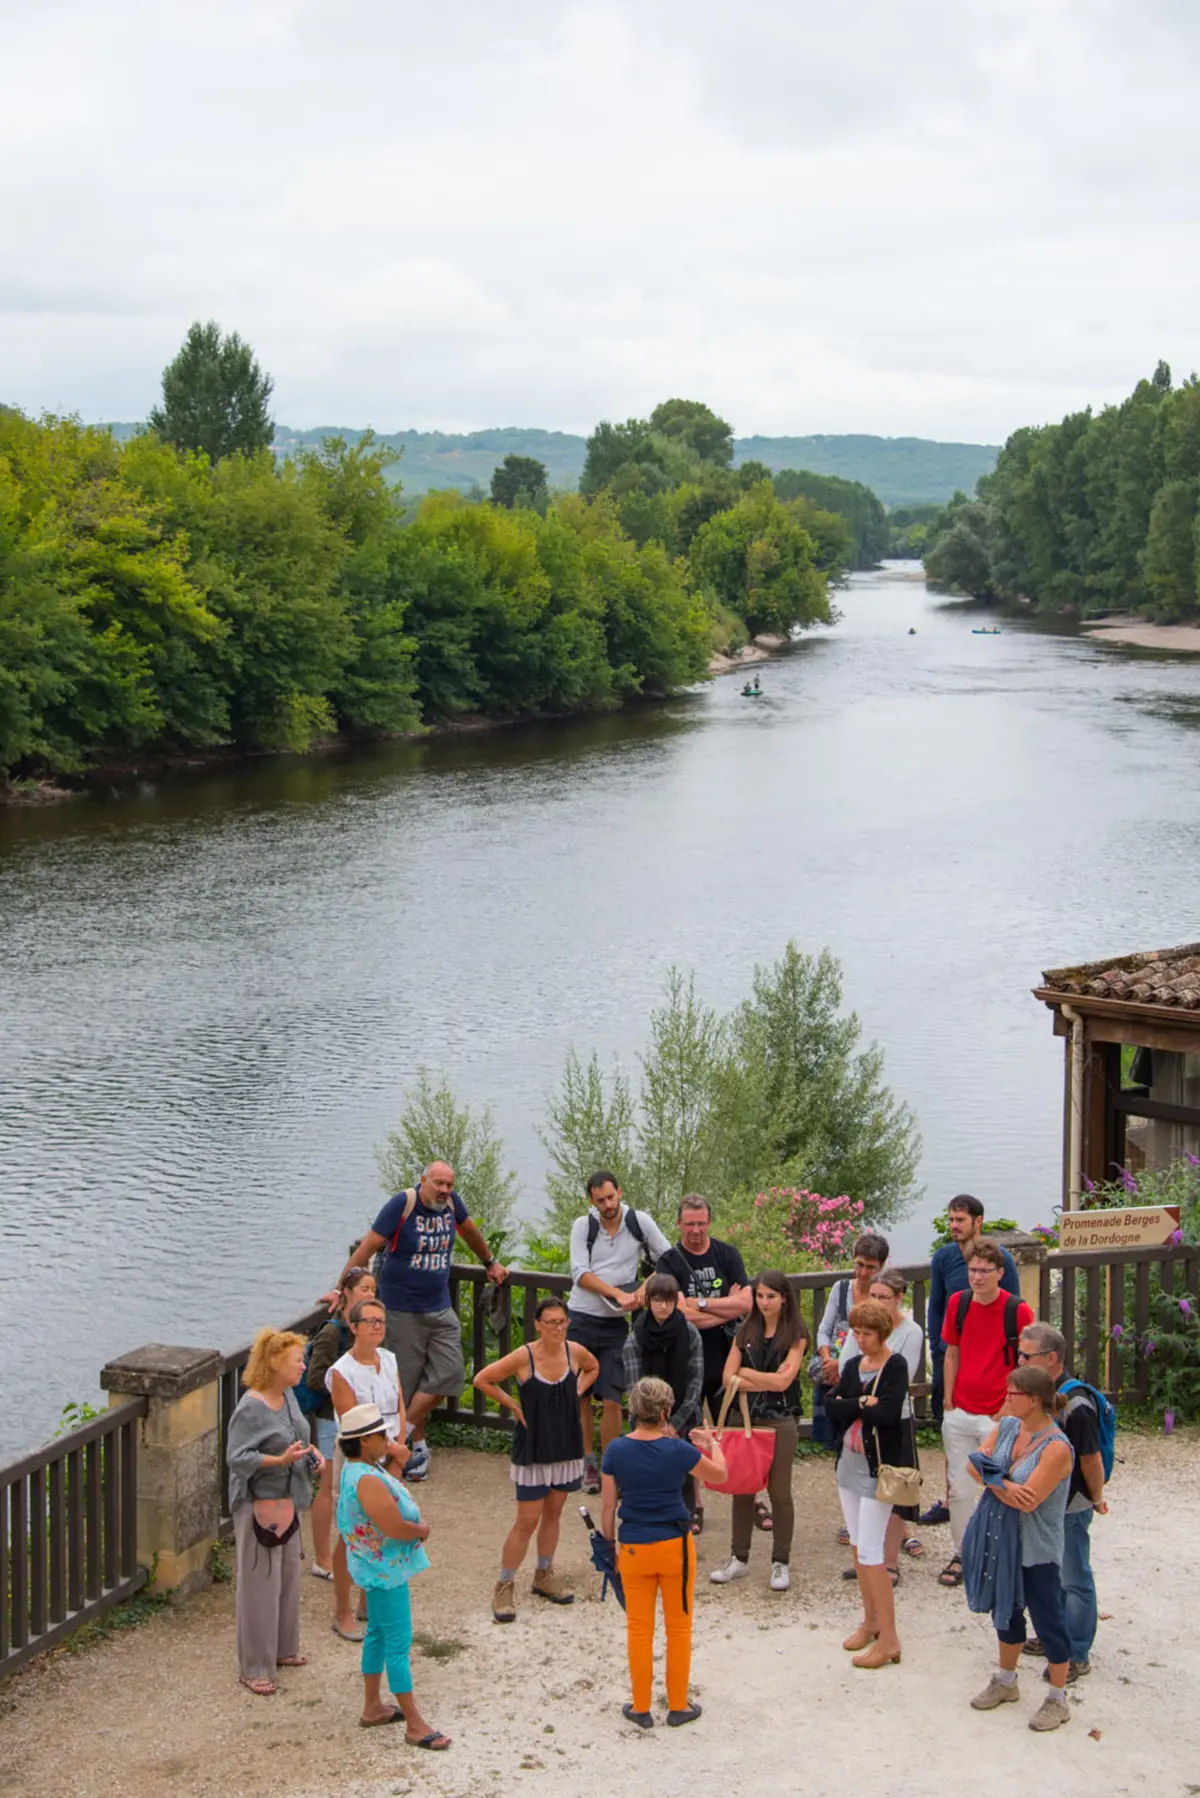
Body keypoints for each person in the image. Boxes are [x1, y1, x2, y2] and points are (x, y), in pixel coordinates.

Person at [326, 1160, 508, 1483]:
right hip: (400, 1310)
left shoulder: (452, 1205)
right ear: (423, 1180)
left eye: (449, 1185)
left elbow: (470, 1231)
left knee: (449, 1373)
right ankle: (417, 1447)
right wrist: (341, 1289)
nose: (444, 1190)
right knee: (406, 1384)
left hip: (439, 1307)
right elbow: (369, 1246)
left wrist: (490, 1262)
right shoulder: (403, 1204)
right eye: (438, 1183)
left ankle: (399, 1440)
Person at [601, 1377, 728, 1730]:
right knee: (678, 1627)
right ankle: (677, 1704)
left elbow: (609, 1506)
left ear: (633, 1411)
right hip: (675, 1547)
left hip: (632, 1547)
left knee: (639, 1629)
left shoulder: (615, 1450)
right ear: (666, 1411)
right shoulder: (679, 1451)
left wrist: (609, 1547)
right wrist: (712, 1444)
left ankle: (640, 1705)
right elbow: (720, 1474)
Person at [473, 1296, 599, 1622]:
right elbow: (482, 1379)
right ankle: (504, 1584)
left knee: (554, 1513)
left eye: (563, 1321)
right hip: (533, 1448)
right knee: (526, 1520)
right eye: (552, 1322)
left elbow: (593, 1366)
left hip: (566, 1446)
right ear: (538, 1325)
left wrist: (578, 1391)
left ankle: (543, 1574)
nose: (558, 1327)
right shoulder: (524, 1356)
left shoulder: (576, 1352)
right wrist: (512, 1406)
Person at [963, 1364, 1075, 1732]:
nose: (1006, 1399)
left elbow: (1028, 1501)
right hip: (1002, 1539)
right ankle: (1007, 1680)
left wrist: (996, 1481)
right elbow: (973, 1466)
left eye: (1013, 1395)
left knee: (1048, 1621)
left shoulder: (1057, 1447)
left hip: (1035, 1547)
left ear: (1034, 1400)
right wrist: (1007, 1486)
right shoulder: (1009, 1425)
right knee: (1007, 1612)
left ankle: (1058, 1699)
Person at [334, 1402, 449, 1748]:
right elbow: (391, 1525)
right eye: (381, 1434)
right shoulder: (367, 1478)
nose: (387, 1438)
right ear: (365, 1441)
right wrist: (420, 1530)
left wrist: (396, 1459)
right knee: (398, 1644)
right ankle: (415, 1723)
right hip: (385, 1573)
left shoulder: (359, 1469)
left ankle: (372, 1706)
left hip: (373, 1567)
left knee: (378, 1635)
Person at [225, 1327, 324, 1696]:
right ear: (275, 1364)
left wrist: (311, 1454)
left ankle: (283, 1650)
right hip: (258, 1502)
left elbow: (299, 1436)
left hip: (289, 1497)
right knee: (259, 1584)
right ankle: (254, 1666)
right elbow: (237, 1458)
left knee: (285, 1577)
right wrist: (279, 1460)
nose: (303, 1366)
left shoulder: (287, 1398)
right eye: (298, 1360)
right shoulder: (251, 1407)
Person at [567, 1171, 671, 1493]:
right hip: (582, 1316)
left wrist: (643, 1289)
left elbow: (667, 1258)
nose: (608, 1205)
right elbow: (580, 1273)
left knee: (612, 1396)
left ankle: (611, 1465)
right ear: (592, 1201)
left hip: (615, 1325)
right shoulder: (583, 1226)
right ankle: (588, 1464)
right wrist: (617, 1294)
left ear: (619, 1193)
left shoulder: (638, 1221)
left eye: (611, 1197)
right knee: (582, 1395)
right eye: (601, 1200)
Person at [939, 1239, 1034, 1589]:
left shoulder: (1018, 1311)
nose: (977, 1277)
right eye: (972, 1270)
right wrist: (948, 1400)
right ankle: (963, 1553)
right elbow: (952, 1352)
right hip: (961, 1410)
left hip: (998, 1415)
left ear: (1000, 1273)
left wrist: (1006, 1408)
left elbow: (1026, 1363)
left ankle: (1002, 1555)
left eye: (984, 1270)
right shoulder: (958, 1304)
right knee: (960, 1488)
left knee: (1002, 1486)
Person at [825, 1299, 915, 1669]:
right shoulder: (851, 1366)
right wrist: (863, 1400)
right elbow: (833, 1406)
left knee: (872, 1554)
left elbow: (888, 1413)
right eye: (856, 1332)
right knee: (858, 1548)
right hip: (849, 1464)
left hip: (879, 1471)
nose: (860, 1339)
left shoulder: (895, 1365)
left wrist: (853, 1403)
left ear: (882, 1334)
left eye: (867, 1333)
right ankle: (870, 1621)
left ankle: (890, 1639)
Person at [655, 1195, 752, 1532]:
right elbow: (679, 1314)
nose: (695, 1230)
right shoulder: (668, 1262)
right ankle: (694, 1503)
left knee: (737, 1432)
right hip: (687, 1363)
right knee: (692, 1434)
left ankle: (749, 1497)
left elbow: (746, 1303)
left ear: (710, 1222)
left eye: (701, 1223)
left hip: (727, 1360)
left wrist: (699, 1304)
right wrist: (723, 1305)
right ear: (679, 1224)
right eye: (689, 1223)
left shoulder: (727, 1254)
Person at [1017, 1322, 1107, 1681]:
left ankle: (1077, 1651)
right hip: (1045, 1503)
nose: (1019, 1360)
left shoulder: (1077, 1405)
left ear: (1050, 1358)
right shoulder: (1041, 1395)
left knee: (1073, 1576)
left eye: (1026, 1355)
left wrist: (1097, 1498)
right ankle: (1054, 1635)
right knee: (1048, 1574)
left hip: (1070, 1506)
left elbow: (1091, 1459)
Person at [709, 1270, 809, 1592]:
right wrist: (752, 1377)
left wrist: (746, 1374)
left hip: (780, 1418)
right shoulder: (745, 1329)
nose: (765, 1302)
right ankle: (739, 1557)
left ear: (784, 1298)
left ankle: (781, 1561)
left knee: (779, 1493)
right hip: (744, 1417)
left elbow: (783, 1382)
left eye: (771, 1296)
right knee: (743, 1490)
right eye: (760, 1295)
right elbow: (727, 1377)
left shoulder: (796, 1333)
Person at [326, 1296, 406, 1641]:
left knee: (382, 1529)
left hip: (391, 1451)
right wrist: (390, 1448)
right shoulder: (341, 1372)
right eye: (370, 1321)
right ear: (354, 1327)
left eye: (381, 1321)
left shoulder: (388, 1359)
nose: (378, 1326)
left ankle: (366, 1601)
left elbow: (399, 1403)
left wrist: (400, 1444)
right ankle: (341, 1610)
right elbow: (352, 1421)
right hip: (358, 1455)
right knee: (352, 1532)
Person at [839, 1269, 926, 1575]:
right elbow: (846, 1367)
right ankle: (867, 1558)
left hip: (894, 1421)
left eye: (883, 1297)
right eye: (872, 1295)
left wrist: (856, 1398)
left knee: (893, 1490)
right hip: (862, 1423)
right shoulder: (861, 1328)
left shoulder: (911, 1332)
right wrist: (861, 1400)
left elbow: (895, 1381)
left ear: (898, 1298)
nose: (876, 1301)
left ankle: (889, 1563)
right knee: (863, 1490)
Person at [305, 1266, 376, 1579]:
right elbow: (315, 1378)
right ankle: (322, 1558)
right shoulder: (333, 1332)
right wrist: (347, 1390)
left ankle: (348, 1553)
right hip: (329, 1419)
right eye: (363, 1288)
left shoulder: (365, 1329)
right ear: (346, 1293)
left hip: (356, 1420)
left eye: (373, 1289)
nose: (370, 1294)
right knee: (327, 1489)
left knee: (351, 1489)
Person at [622, 1274, 705, 1522]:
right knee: (647, 1468)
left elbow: (695, 1382)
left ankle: (688, 1515)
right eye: (657, 1300)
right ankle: (649, 1514)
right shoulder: (636, 1336)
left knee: (685, 1467)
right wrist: (652, 1424)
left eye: (668, 1300)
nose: (663, 1306)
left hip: (684, 1413)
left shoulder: (690, 1333)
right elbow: (634, 1388)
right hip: (645, 1417)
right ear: (648, 1301)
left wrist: (674, 1423)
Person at [812, 1234, 889, 1450]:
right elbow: (824, 1329)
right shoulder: (841, 1288)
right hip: (833, 1367)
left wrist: (845, 1365)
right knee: (835, 1438)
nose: (863, 1272)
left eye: (870, 1267)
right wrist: (827, 1359)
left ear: (881, 1267)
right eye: (859, 1265)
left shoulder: (882, 1296)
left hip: (864, 1370)